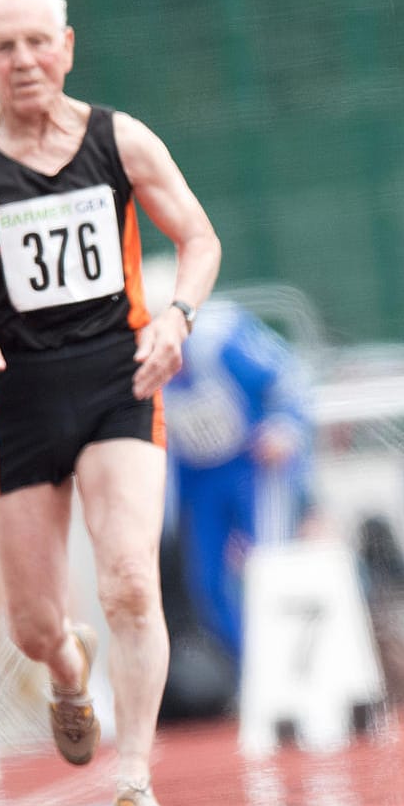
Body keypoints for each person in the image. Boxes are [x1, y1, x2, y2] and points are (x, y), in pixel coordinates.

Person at [0, 0, 220, 806]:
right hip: (14, 396)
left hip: (114, 378)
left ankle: (134, 785)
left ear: (68, 47)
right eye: (4, 48)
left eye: (38, 42)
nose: (24, 61)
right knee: (34, 620)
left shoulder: (119, 139)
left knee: (129, 579)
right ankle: (65, 666)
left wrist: (177, 315)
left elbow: (198, 238)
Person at [152, 258, 316, 670]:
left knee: (271, 567)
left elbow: (289, 376)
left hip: (251, 465)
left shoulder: (222, 338)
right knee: (206, 584)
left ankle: (290, 668)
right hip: (197, 478)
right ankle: (255, 668)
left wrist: (286, 427)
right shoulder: (135, 359)